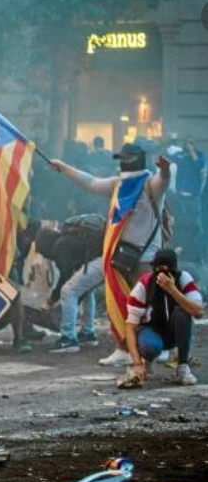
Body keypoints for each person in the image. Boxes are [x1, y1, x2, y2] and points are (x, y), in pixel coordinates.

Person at [51, 144, 173, 367]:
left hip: (146, 258)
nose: (122, 163)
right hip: (120, 257)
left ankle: (159, 346)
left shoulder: (150, 184)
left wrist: (165, 170)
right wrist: (64, 168)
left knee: (148, 307)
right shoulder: (119, 184)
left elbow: (163, 181)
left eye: (125, 159)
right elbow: (90, 182)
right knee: (121, 304)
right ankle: (123, 348)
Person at [120, 249, 202, 388]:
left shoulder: (183, 278)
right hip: (150, 330)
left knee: (183, 313)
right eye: (158, 270)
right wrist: (137, 364)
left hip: (173, 332)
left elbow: (198, 312)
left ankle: (183, 366)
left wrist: (172, 289)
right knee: (151, 346)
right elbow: (130, 326)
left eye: (165, 270)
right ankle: (148, 360)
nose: (161, 275)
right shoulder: (144, 283)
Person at [33, 215, 105, 353]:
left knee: (68, 291)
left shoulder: (60, 246)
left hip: (101, 261)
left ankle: (68, 339)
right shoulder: (69, 240)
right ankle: (88, 332)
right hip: (107, 258)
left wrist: (51, 301)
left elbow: (65, 278)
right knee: (85, 288)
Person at [169, 137, 206, 263]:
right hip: (180, 196)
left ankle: (198, 255)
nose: (188, 145)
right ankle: (180, 251)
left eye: (191, 143)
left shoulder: (199, 156)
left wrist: (192, 151)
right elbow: (169, 159)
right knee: (179, 224)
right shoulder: (180, 156)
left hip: (193, 197)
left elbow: (199, 166)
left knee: (196, 226)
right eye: (187, 143)